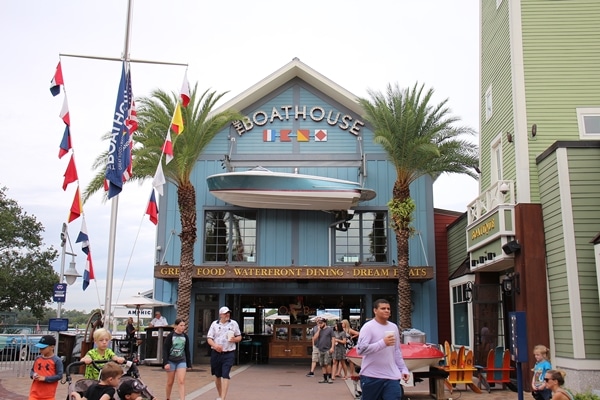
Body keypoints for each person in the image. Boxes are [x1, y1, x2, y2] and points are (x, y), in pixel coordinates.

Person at [357, 298, 410, 400]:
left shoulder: (394, 327)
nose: (386, 311)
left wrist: (403, 369)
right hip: (371, 376)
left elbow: (397, 350)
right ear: (375, 310)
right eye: (383, 308)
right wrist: (382, 343)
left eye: (388, 309)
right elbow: (361, 350)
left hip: (392, 376)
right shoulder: (368, 327)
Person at [206, 306, 242, 400]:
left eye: (228, 313)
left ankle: (223, 397)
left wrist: (235, 339)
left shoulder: (233, 324)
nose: (227, 315)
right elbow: (209, 338)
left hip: (229, 352)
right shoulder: (214, 324)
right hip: (216, 353)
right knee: (217, 375)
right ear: (220, 315)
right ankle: (220, 395)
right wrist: (215, 346)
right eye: (225, 313)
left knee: (225, 374)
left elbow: (239, 336)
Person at [162, 318, 192, 400]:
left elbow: (187, 350)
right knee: (170, 382)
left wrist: (189, 364)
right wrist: (165, 362)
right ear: (176, 326)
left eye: (184, 326)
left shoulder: (185, 336)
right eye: (181, 325)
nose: (183, 327)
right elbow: (165, 349)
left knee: (181, 381)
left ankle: (182, 398)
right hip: (171, 360)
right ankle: (168, 397)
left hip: (181, 360)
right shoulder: (170, 336)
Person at [29, 335, 63, 400]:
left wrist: (45, 378)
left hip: (48, 395)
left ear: (52, 347)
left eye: (43, 348)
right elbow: (32, 370)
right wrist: (33, 375)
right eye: (40, 348)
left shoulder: (57, 360)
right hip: (34, 393)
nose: (40, 350)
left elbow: (59, 375)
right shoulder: (37, 358)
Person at [313, 317, 335, 383]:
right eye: (319, 323)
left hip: (327, 349)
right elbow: (314, 338)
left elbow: (333, 338)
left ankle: (329, 377)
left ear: (324, 323)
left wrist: (332, 347)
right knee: (322, 364)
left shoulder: (329, 330)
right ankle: (324, 378)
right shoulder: (319, 330)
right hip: (320, 349)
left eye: (321, 323)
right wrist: (319, 330)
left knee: (327, 363)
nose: (319, 324)